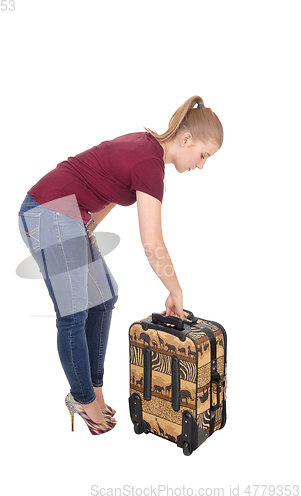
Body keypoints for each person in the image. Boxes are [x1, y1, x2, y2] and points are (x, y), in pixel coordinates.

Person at [18, 95, 223, 435]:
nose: (201, 165)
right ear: (186, 139)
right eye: (203, 155)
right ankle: (82, 398)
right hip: (47, 210)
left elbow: (108, 186)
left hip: (68, 215)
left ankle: (94, 388)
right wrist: (175, 290)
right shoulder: (149, 163)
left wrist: (88, 228)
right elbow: (152, 243)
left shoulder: (146, 150)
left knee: (104, 297)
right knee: (73, 313)